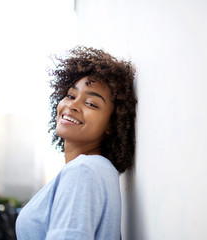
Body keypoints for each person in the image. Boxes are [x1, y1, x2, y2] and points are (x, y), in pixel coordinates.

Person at [15, 46, 137, 240]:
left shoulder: (83, 170)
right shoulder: (100, 170)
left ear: (112, 124)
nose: (72, 105)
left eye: (91, 103)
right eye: (71, 96)